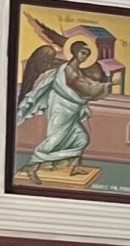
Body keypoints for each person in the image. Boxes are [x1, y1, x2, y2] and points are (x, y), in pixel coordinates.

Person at [15, 37, 109, 177]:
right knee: (55, 140)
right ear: (75, 52)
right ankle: (31, 166)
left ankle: (75, 166)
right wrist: (106, 86)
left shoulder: (77, 70)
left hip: (72, 110)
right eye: (83, 53)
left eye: (87, 55)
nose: (85, 57)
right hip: (61, 108)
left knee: (81, 138)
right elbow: (84, 88)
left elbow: (83, 87)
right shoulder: (68, 69)